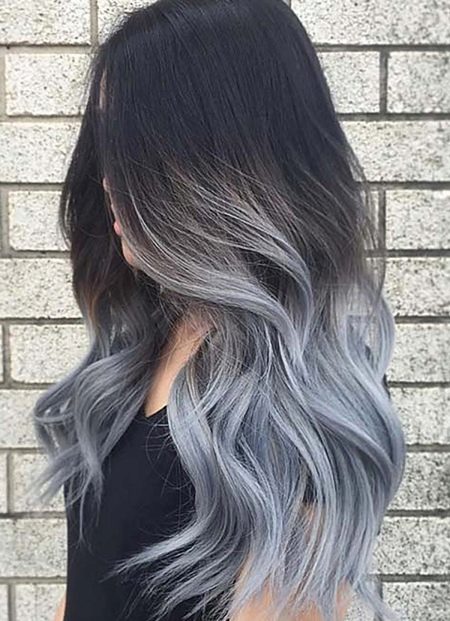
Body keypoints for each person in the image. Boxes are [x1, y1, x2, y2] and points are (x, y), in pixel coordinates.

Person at [29, 1, 406, 620]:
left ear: (215, 162)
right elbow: (91, 577)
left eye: (130, 147)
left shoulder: (301, 395)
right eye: (104, 142)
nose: (106, 179)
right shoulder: (137, 350)